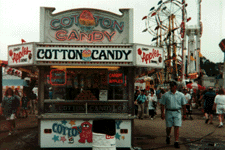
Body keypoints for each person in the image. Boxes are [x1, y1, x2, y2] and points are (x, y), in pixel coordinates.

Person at [159, 81, 187, 148]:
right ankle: (168, 136)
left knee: (177, 126)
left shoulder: (181, 95)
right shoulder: (166, 95)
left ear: (175, 87)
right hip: (169, 112)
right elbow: (162, 104)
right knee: (169, 127)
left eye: (172, 86)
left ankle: (176, 141)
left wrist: (184, 114)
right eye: (170, 86)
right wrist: (162, 113)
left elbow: (184, 105)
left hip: (177, 112)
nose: (171, 87)